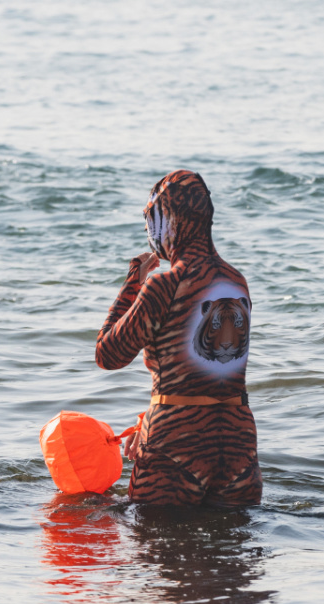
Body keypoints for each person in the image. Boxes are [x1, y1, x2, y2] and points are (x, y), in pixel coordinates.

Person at [95, 170, 262, 507]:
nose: (149, 232)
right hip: (238, 446)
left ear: (170, 221)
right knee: (234, 539)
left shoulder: (165, 284)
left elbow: (108, 355)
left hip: (175, 444)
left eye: (151, 221)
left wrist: (133, 282)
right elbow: (203, 375)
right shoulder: (237, 282)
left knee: (151, 536)